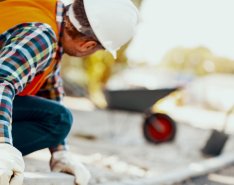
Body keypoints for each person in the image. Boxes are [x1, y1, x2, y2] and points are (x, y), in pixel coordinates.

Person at [0, 0, 139, 184]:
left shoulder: (47, 17)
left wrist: (60, 153)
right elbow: (2, 82)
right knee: (60, 119)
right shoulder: (42, 36)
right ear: (88, 45)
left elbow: (51, 91)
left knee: (57, 118)